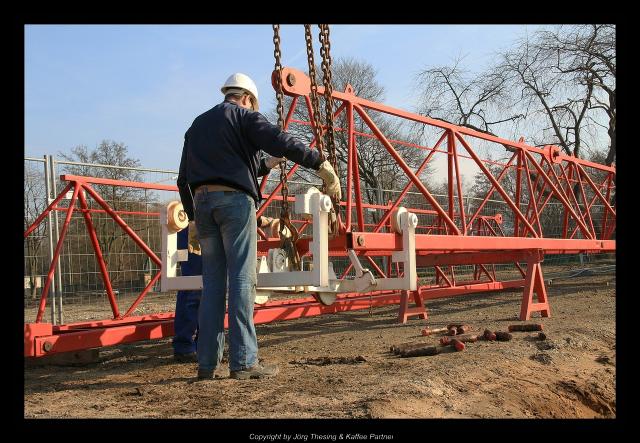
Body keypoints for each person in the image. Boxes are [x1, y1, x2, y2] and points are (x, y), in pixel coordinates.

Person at [177, 72, 341, 380]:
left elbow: (182, 178)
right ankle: (244, 363)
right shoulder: (244, 117)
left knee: (212, 285)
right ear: (248, 99)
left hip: (203, 205)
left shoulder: (197, 125)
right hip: (235, 205)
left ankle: (207, 365)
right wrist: (320, 164)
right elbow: (283, 140)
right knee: (242, 280)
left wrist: (194, 219)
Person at [172, 226, 202, 363]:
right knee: (192, 285)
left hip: (203, 224)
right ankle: (185, 345)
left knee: (201, 287)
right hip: (193, 227)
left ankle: (201, 344)